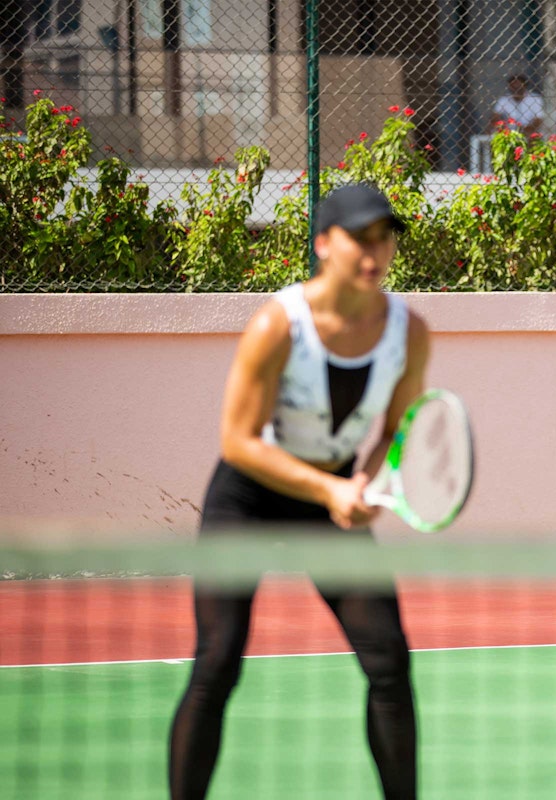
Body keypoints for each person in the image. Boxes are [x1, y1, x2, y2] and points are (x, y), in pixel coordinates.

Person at [168, 183, 429, 799]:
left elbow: (397, 427)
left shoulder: (408, 331)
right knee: (217, 662)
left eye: (385, 237)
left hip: (333, 497)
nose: (375, 251)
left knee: (389, 662)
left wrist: (367, 480)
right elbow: (238, 441)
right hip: (248, 496)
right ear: (324, 244)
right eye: (360, 237)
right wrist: (328, 490)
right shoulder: (277, 325)